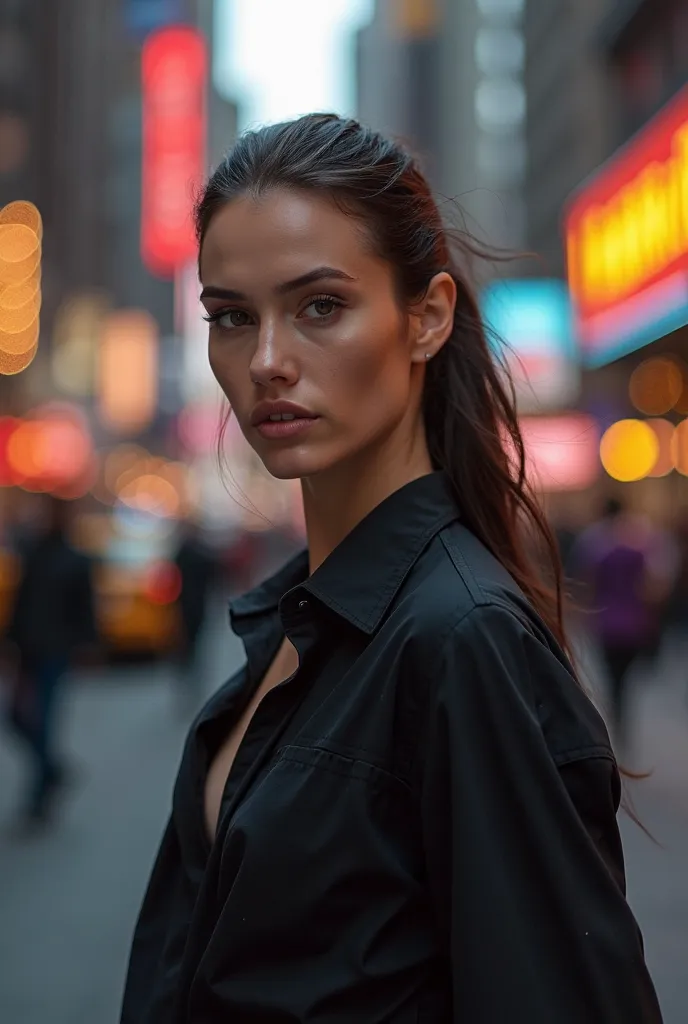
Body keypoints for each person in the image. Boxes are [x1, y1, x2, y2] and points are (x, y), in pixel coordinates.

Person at [120, 115, 662, 1023]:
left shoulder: (463, 638)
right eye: (232, 317)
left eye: (320, 306)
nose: (265, 362)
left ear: (427, 317)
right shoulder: (298, 624)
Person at [2, 496, 97, 823]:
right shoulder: (33, 554)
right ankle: (53, 770)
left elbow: (87, 610)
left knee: (42, 719)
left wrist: (86, 646)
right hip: (28, 650)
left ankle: (40, 793)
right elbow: (20, 604)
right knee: (16, 717)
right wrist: (10, 644)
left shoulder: (76, 560)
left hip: (55, 653)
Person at [574, 497, 675, 752]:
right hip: (633, 623)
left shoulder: (595, 546)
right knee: (625, 677)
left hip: (607, 622)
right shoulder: (638, 546)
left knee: (613, 676)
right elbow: (652, 585)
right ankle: (621, 717)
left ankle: (617, 716)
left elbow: (588, 583)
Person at [171, 518, 215, 697]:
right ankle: (191, 675)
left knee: (187, 643)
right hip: (196, 604)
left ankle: (186, 672)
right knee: (194, 643)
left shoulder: (181, 552)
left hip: (184, 604)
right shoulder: (201, 554)